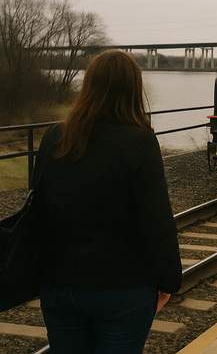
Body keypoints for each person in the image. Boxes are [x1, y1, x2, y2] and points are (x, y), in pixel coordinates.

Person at [34, 50, 182, 353]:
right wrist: (168, 281)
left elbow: (37, 208)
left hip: (61, 283)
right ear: (133, 89)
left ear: (89, 86)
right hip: (123, 288)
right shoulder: (140, 142)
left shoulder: (55, 137)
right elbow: (156, 219)